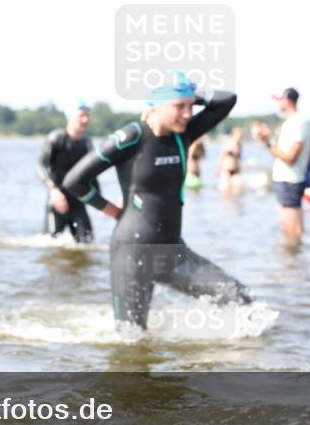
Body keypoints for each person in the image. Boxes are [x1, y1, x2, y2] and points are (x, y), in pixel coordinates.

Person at [62, 71, 252, 329]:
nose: (187, 114)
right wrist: (112, 211)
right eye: (179, 106)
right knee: (131, 341)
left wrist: (189, 96)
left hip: (173, 251)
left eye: (190, 107)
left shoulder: (182, 134)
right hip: (132, 253)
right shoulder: (132, 136)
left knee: (239, 299)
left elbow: (227, 100)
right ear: (156, 106)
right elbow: (74, 180)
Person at [251, 88, 310, 239]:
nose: (277, 102)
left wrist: (268, 143)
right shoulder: (291, 121)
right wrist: (267, 141)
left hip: (290, 180)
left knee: (292, 231)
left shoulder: (298, 122)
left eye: (279, 99)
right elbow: (283, 154)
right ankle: (290, 260)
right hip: (286, 180)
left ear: (288, 100)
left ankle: (292, 261)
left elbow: (290, 158)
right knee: (288, 230)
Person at [36, 101, 99, 243]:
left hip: (78, 202)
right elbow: (40, 167)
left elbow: (92, 175)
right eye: (81, 115)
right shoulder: (56, 138)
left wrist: (101, 203)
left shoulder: (87, 142)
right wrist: (53, 190)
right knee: (51, 245)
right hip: (57, 201)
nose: (86, 119)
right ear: (70, 117)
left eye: (87, 115)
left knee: (87, 243)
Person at [216, 126, 245, 195]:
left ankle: (234, 204)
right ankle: (226, 205)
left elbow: (239, 158)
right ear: (234, 135)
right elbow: (222, 156)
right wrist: (218, 168)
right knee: (226, 191)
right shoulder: (229, 143)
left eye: (241, 135)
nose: (240, 137)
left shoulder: (240, 145)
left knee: (237, 189)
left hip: (236, 170)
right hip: (227, 169)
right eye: (238, 135)